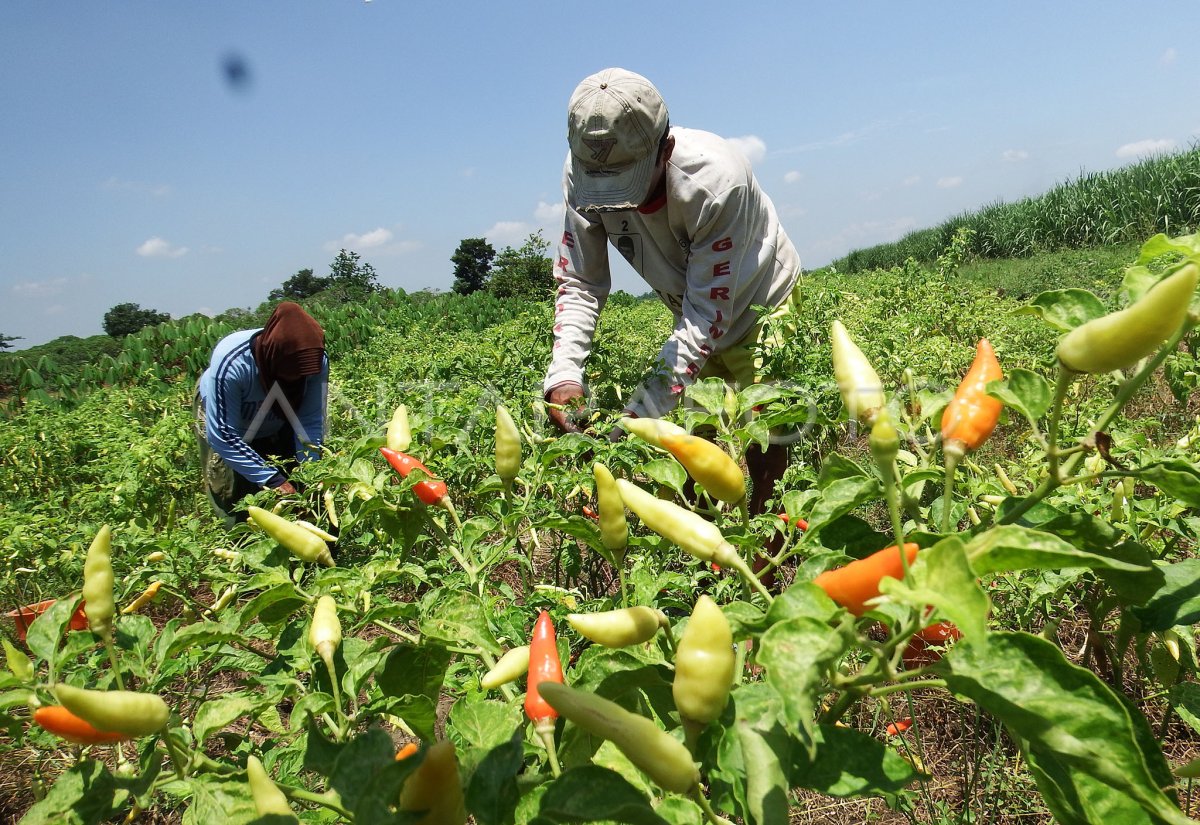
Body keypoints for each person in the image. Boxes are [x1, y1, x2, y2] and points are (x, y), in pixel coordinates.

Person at [543, 67, 803, 516]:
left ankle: (766, 555)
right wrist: (565, 375)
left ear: (666, 148)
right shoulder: (580, 176)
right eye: (599, 182)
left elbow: (706, 318)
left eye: (625, 180)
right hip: (691, 307)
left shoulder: (716, 181)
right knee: (691, 446)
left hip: (761, 303)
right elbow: (581, 280)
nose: (613, 202)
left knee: (767, 440)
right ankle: (710, 559)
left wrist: (636, 420)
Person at [194, 301, 329, 523]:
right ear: (272, 359)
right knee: (234, 492)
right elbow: (223, 435)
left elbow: (309, 421)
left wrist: (312, 475)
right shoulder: (233, 363)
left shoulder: (315, 360)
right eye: (290, 375)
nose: (296, 381)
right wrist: (274, 481)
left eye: (301, 378)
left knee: (299, 483)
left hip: (277, 414)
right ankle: (240, 546)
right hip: (230, 419)